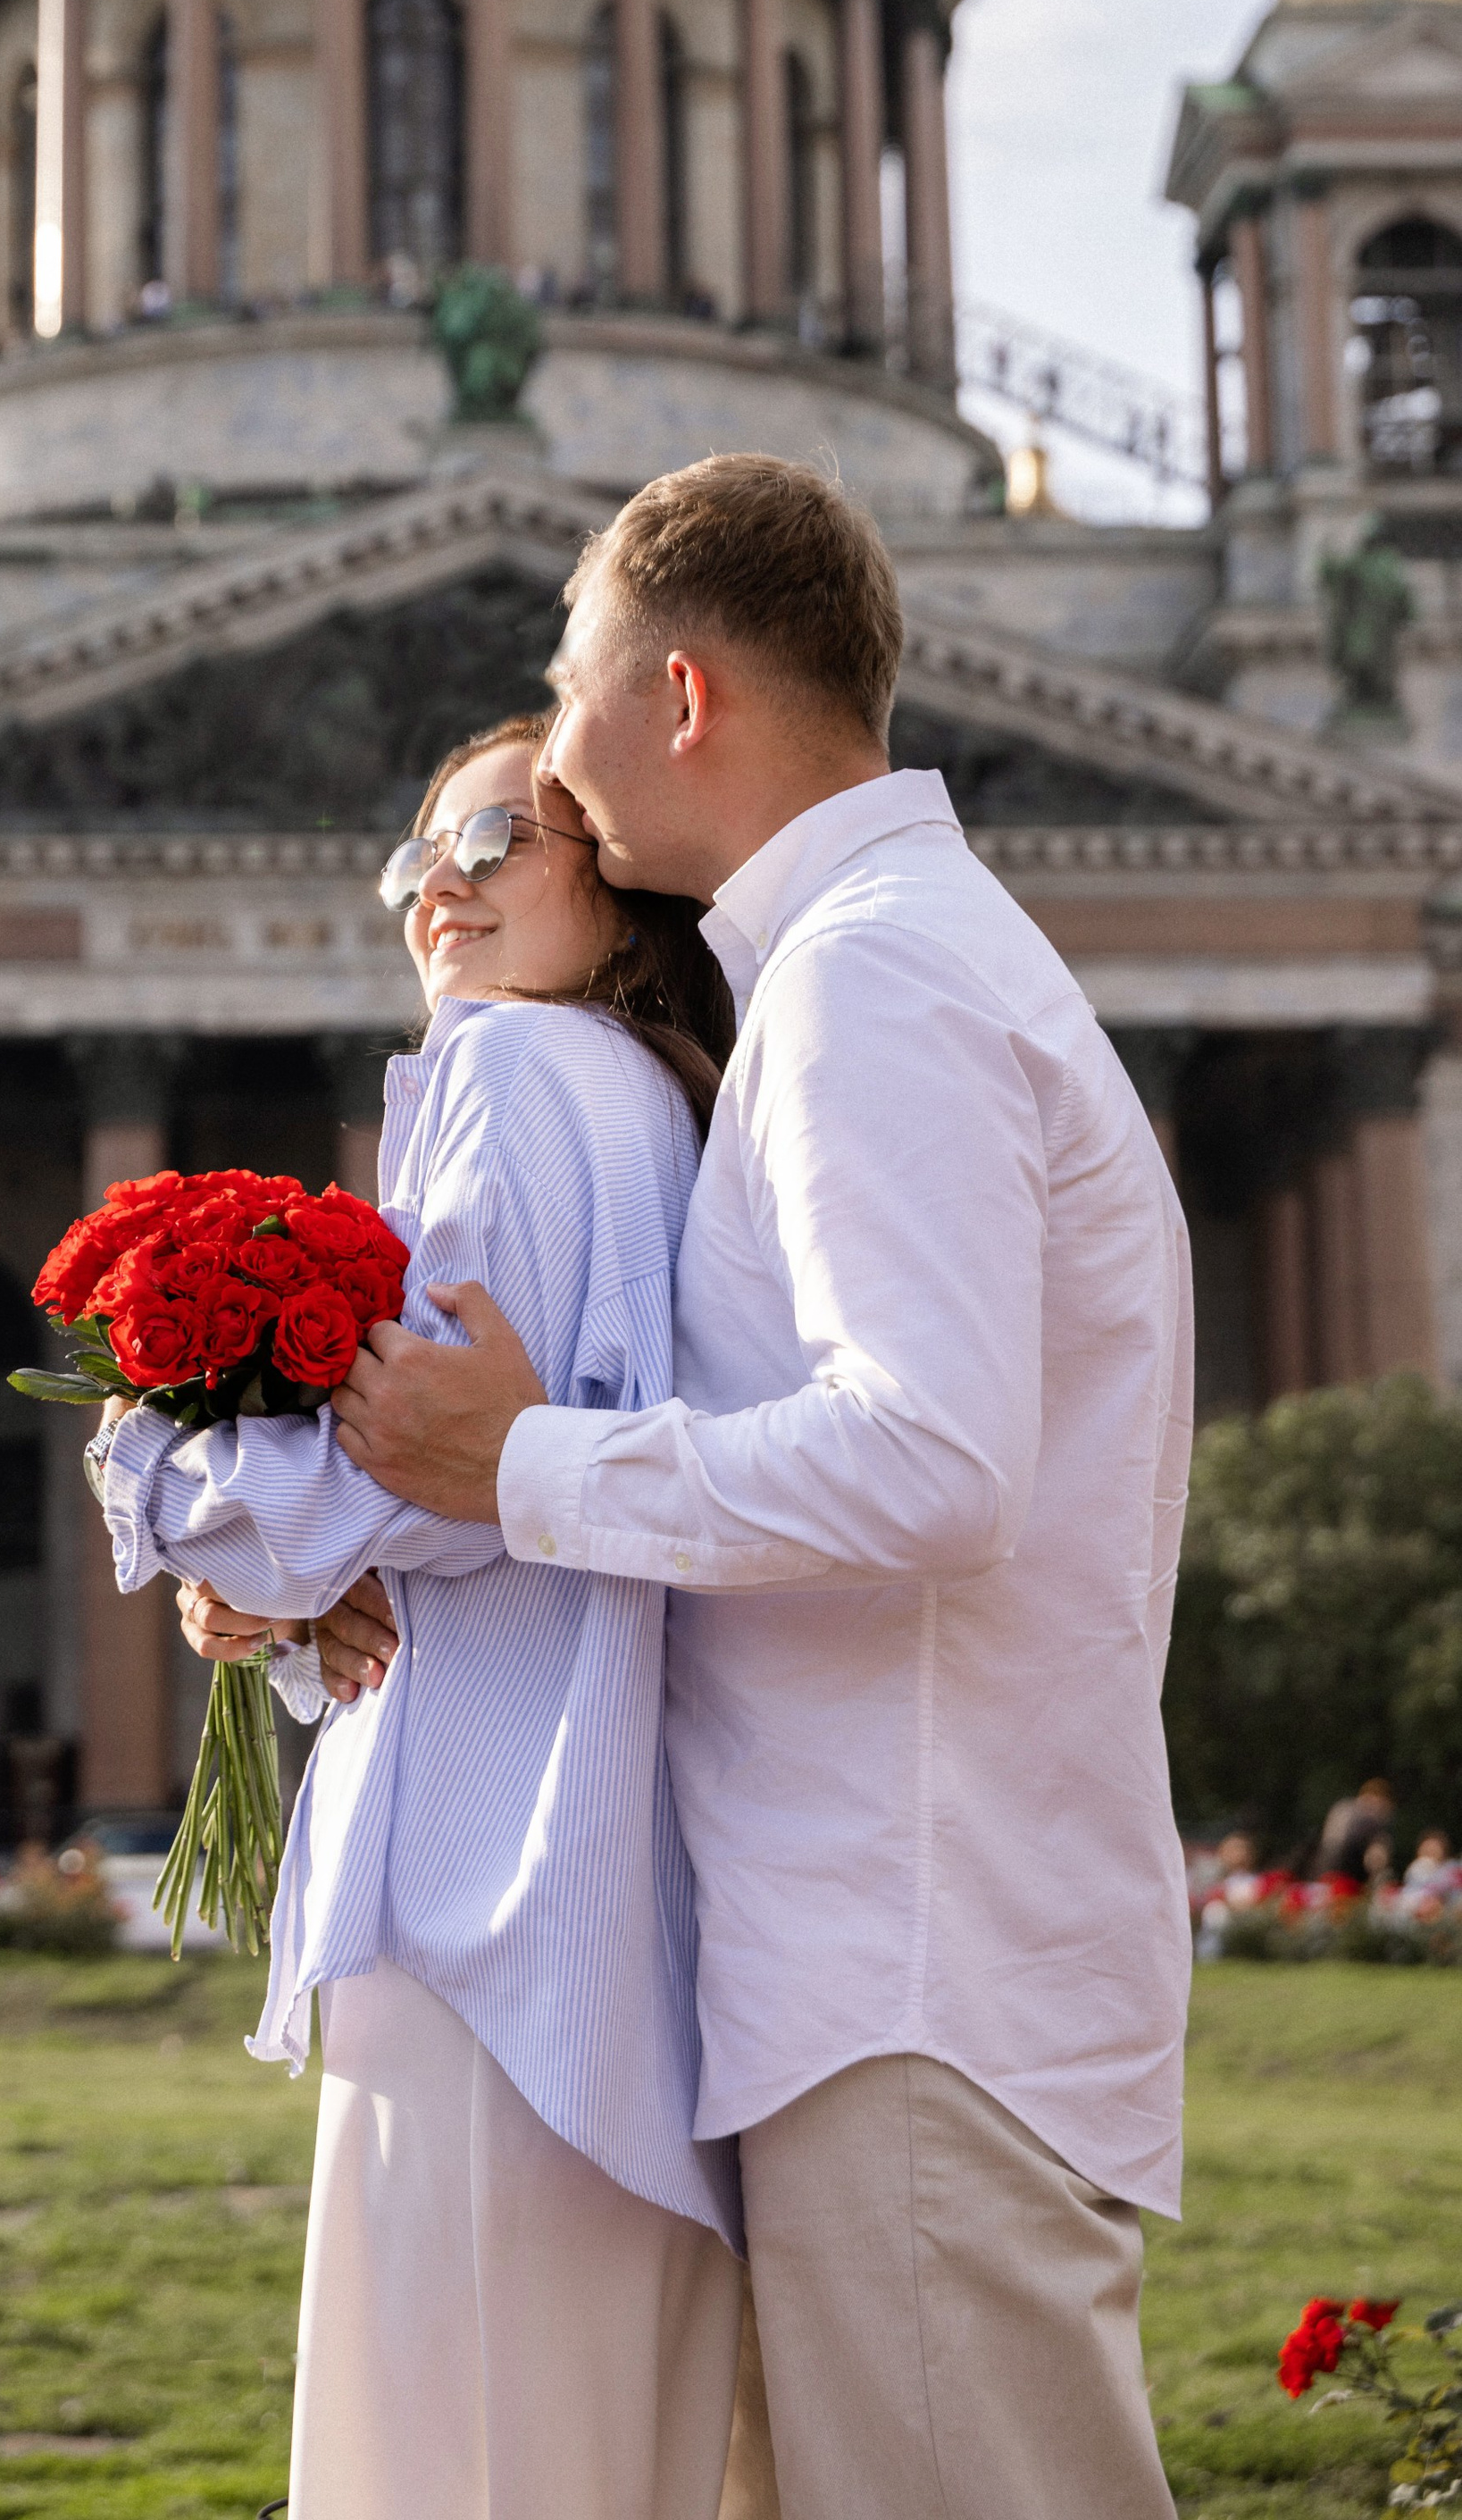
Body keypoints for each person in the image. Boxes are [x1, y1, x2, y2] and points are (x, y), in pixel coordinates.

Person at [316, 454, 1196, 2520]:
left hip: (905, 1968)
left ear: (680, 693)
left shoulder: (874, 974)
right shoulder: (869, 957)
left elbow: (930, 1458)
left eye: (571, 686)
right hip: (848, 1965)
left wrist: (515, 1459)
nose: (556, 754)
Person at [91, 714, 748, 2520]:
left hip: (486, 1902)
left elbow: (415, 1452)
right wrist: (307, 1600)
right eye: (416, 854)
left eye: (494, 837)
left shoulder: (514, 1064)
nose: (438, 884)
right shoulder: (657, 1099)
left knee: (443, 2458)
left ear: (619, 879)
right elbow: (509, 1483)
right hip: (616, 1917)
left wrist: (160, 1461)